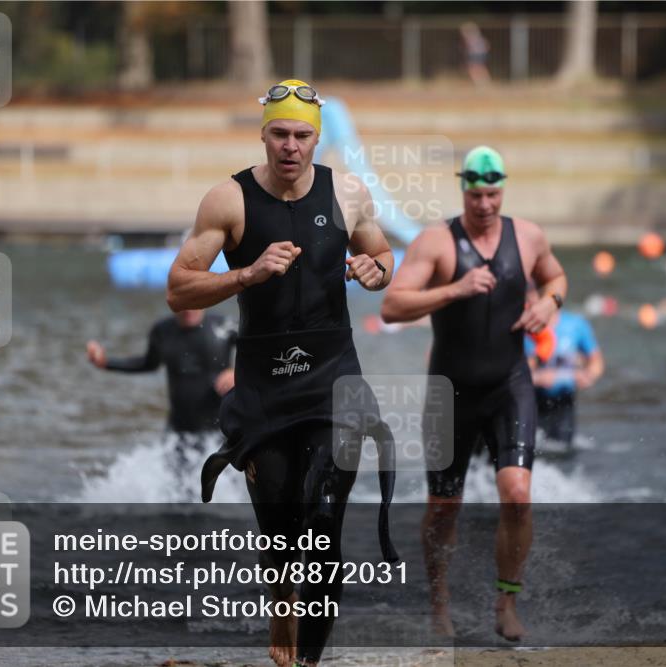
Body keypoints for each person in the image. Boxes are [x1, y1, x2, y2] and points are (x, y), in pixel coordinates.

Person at [166, 79, 397, 667]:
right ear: (263, 134)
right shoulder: (229, 201)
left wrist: (377, 271)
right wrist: (246, 274)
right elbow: (178, 289)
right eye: (279, 134)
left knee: (322, 527)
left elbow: (383, 254)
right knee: (280, 527)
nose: (290, 146)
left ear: (317, 138)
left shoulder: (347, 192)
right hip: (266, 388)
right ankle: (279, 597)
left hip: (334, 383)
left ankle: (309, 664)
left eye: (302, 135)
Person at [381, 146, 567, 641]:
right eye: (475, 194)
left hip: (510, 384)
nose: (484, 204)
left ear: (502, 189)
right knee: (445, 507)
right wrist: (455, 290)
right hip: (451, 392)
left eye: (492, 194)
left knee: (518, 495)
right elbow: (392, 306)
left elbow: (555, 277)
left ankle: (507, 602)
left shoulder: (527, 236)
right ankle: (439, 607)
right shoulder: (437, 242)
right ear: (463, 189)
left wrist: (550, 304)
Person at [85, 308, 236, 437]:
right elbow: (148, 364)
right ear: (172, 301)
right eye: (183, 303)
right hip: (179, 429)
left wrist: (238, 374)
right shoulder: (162, 331)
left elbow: (257, 352)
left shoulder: (224, 325)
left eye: (194, 303)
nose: (188, 309)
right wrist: (106, 363)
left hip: (220, 428)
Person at [525, 309, 604, 449]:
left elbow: (596, 361)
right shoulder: (522, 325)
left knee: (561, 449)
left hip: (564, 402)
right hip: (529, 401)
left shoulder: (576, 324)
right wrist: (537, 378)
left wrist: (589, 376)